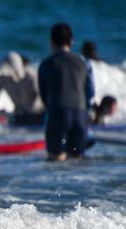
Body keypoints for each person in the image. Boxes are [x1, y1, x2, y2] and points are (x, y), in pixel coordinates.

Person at [38, 23, 94, 161]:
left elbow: (44, 96)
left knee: (56, 161)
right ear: (72, 41)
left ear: (51, 42)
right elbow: (90, 92)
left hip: (58, 116)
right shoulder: (84, 63)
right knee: (76, 160)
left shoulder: (46, 64)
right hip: (80, 118)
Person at [0, 52, 44, 126]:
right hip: (19, 117)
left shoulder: (31, 76)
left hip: (37, 116)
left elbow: (43, 96)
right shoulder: (2, 79)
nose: (9, 75)